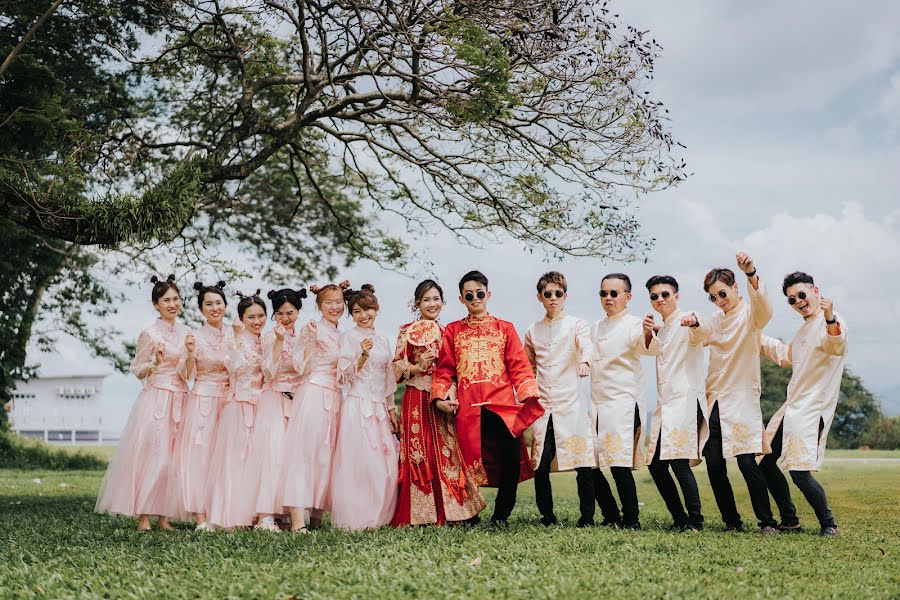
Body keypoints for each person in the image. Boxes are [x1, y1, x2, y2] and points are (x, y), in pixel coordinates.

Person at [681, 252, 785, 534]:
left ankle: (767, 522)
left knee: (747, 463)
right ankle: (732, 522)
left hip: (742, 400)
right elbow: (700, 334)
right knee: (714, 464)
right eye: (713, 297)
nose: (719, 300)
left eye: (722, 293)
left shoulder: (751, 315)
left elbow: (764, 309)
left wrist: (751, 273)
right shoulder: (714, 320)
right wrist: (692, 322)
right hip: (714, 400)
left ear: (735, 288)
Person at [431, 270, 544, 526]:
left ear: (488, 294)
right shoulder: (453, 330)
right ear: (461, 299)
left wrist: (527, 394)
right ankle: (471, 513)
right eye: (468, 295)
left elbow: (519, 366)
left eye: (479, 293)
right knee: (468, 462)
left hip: (501, 405)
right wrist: (439, 397)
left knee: (510, 459)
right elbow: (445, 369)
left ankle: (502, 515)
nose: (475, 298)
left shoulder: (505, 328)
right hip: (468, 409)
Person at [96, 275, 189, 531]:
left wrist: (189, 356)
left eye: (176, 299)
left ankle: (165, 516)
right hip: (156, 397)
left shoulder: (186, 333)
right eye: (166, 300)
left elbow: (188, 371)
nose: (172, 304)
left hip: (181, 396)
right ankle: (144, 517)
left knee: (174, 457)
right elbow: (137, 368)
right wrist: (155, 363)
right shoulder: (149, 333)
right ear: (155, 304)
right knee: (153, 454)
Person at [391, 280, 486, 527]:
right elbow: (396, 371)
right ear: (417, 304)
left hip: (442, 399)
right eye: (426, 300)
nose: (431, 304)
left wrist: (451, 394)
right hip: (415, 398)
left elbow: (456, 370)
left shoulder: (449, 332)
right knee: (418, 451)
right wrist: (419, 365)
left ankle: (457, 511)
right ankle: (421, 514)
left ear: (442, 302)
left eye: (435, 299)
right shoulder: (407, 332)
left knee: (448, 452)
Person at [758, 272, 847, 537]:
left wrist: (829, 315)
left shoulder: (833, 319)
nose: (798, 301)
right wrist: (755, 336)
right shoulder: (804, 328)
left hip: (812, 409)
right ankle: (790, 520)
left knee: (799, 472)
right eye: (791, 299)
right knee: (766, 461)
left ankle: (829, 524)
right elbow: (786, 356)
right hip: (792, 407)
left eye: (801, 295)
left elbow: (836, 344)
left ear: (815, 291)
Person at [523, 271, 596, 527]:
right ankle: (547, 516)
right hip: (544, 406)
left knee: (583, 464)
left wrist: (585, 361)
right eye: (548, 294)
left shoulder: (577, 325)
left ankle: (587, 517)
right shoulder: (533, 330)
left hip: (571, 404)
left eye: (558, 294)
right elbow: (527, 366)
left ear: (565, 296)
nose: (553, 298)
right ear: (539, 297)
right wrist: (526, 394)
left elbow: (586, 344)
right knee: (540, 467)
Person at [589, 273, 658, 530]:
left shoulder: (634, 325)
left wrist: (649, 333)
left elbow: (647, 347)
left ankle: (631, 520)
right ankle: (610, 515)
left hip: (623, 404)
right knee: (589, 464)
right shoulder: (594, 327)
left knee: (619, 465)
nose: (608, 298)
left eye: (614, 293)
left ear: (627, 297)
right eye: (603, 293)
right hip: (596, 405)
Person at [281, 281, 350, 532]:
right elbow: (297, 364)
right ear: (319, 306)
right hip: (313, 394)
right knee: (305, 454)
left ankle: (317, 519)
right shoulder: (311, 329)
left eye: (338, 302)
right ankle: (298, 522)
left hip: (335, 396)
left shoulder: (344, 335)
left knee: (326, 456)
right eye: (329, 303)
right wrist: (308, 341)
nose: (335, 307)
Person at [330, 285, 400, 530]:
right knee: (361, 463)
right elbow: (343, 379)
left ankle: (381, 517)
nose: (363, 315)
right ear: (352, 315)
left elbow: (388, 379)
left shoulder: (383, 339)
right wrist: (361, 356)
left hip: (379, 407)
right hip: (358, 405)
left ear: (376, 309)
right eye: (357, 311)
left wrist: (391, 410)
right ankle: (356, 518)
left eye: (367, 309)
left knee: (386, 465)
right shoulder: (349, 337)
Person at [644, 275, 708, 531]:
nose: (660, 300)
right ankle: (679, 518)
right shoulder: (665, 326)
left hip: (684, 403)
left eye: (665, 294)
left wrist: (694, 322)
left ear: (676, 296)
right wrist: (651, 330)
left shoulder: (688, 318)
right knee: (657, 466)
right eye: (654, 296)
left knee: (679, 463)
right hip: (666, 406)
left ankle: (695, 520)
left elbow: (702, 330)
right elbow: (651, 348)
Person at [172, 280, 231, 531]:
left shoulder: (235, 333)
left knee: (227, 456)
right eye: (209, 304)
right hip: (204, 398)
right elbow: (185, 374)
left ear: (226, 306)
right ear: (201, 309)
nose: (214, 308)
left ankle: (227, 512)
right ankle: (201, 516)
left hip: (231, 399)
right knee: (201, 455)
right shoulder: (193, 336)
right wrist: (190, 354)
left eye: (218, 303)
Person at [205, 291, 267, 530]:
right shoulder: (233, 337)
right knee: (235, 459)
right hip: (239, 403)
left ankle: (255, 514)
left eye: (261, 316)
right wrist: (239, 337)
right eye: (251, 317)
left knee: (256, 460)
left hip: (261, 404)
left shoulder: (267, 340)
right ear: (241, 318)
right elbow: (234, 366)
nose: (257, 321)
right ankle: (231, 514)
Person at [250, 288, 306, 531]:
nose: (285, 318)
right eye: (281, 313)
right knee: (272, 455)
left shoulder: (303, 336)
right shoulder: (269, 337)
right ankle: (265, 515)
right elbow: (268, 371)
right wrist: (279, 341)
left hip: (297, 401)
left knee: (292, 457)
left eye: (290, 312)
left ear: (298, 312)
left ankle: (287, 514)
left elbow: (304, 368)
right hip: (273, 398)